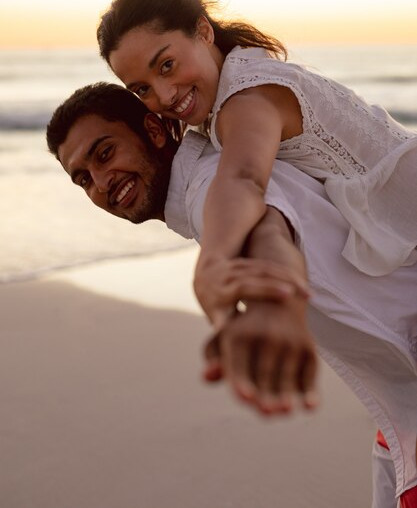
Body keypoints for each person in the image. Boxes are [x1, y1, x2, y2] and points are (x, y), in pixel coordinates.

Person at [46, 83, 417, 508]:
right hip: (397, 407)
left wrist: (267, 301)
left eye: (105, 153)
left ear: (153, 129)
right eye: (83, 179)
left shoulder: (210, 187)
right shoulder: (226, 157)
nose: (101, 183)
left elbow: (266, 226)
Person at [96, 0, 417, 331]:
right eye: (142, 88)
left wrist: (214, 261)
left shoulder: (247, 99)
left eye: (166, 65)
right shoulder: (236, 79)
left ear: (203, 31)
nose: (165, 96)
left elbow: (244, 178)